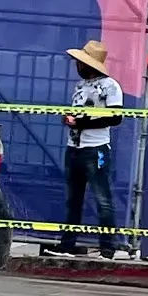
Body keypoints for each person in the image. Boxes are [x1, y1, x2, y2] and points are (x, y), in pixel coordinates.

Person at [56, 38, 124, 258]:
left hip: (97, 149)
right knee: (72, 200)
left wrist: (81, 123)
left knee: (102, 198)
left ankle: (107, 247)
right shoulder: (80, 87)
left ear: (89, 64)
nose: (77, 66)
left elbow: (115, 118)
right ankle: (67, 244)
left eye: (80, 62)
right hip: (74, 148)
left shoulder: (111, 86)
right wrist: (68, 120)